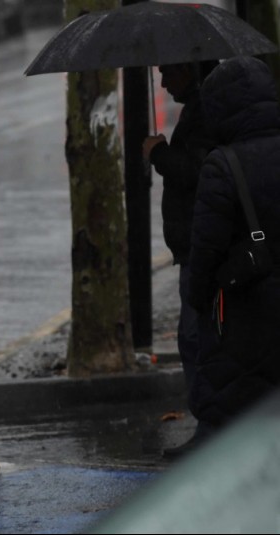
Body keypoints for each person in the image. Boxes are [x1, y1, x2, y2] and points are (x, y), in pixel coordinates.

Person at [185, 55, 280, 441]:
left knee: (236, 412)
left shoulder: (222, 165)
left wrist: (199, 300)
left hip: (246, 312)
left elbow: (205, 251)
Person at [141, 60, 219, 459]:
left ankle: (211, 430)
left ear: (189, 69)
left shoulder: (206, 108)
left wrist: (159, 154)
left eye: (168, 71)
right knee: (197, 337)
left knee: (196, 338)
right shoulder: (200, 104)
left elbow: (199, 172)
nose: (162, 80)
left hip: (203, 245)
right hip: (196, 244)